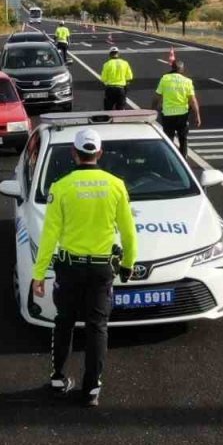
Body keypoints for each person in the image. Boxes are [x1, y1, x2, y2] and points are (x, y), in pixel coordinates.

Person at [31, 129, 137, 407]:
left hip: (69, 268)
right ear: (99, 153)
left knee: (64, 321)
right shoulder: (116, 185)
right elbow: (128, 233)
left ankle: (58, 378)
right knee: (97, 327)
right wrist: (128, 265)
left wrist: (39, 274)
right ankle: (92, 389)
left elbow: (49, 236)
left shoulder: (61, 186)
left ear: (74, 154)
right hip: (102, 269)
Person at [152, 60, 202, 154]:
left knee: (169, 139)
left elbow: (157, 97)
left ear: (172, 68)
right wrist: (197, 115)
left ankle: (170, 159)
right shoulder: (187, 81)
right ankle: (183, 159)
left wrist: (152, 110)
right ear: (182, 69)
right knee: (183, 139)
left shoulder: (165, 79)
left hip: (168, 114)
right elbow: (192, 100)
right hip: (182, 115)